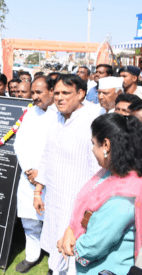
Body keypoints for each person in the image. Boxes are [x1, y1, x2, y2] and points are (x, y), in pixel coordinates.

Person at [33, 74, 101, 275]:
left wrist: (91, 208)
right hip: (54, 198)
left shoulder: (94, 119)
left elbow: (98, 171)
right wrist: (38, 190)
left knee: (73, 251)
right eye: (57, 92)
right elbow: (47, 153)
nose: (59, 97)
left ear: (81, 94)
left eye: (66, 93)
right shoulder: (56, 117)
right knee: (55, 243)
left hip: (78, 203)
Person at [59, 113, 142, 275]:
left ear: (106, 145)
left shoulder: (123, 197)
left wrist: (67, 244)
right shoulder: (113, 173)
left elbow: (92, 247)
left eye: (93, 143)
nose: (92, 149)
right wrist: (70, 230)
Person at [14, 76, 57, 273]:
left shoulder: (61, 115)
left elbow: (58, 150)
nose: (34, 96)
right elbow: (19, 144)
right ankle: (32, 255)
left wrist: (42, 173)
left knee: (53, 221)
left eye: (39, 92)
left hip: (52, 178)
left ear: (51, 91)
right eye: (33, 92)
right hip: (28, 176)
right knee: (29, 221)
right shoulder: (30, 113)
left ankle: (54, 261)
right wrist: (28, 169)